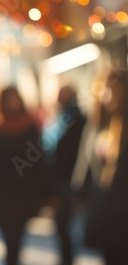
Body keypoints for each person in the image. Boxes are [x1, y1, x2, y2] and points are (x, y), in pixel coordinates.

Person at [0, 86, 48, 265]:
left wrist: (45, 192)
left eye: (15, 98)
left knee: (17, 239)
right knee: (9, 239)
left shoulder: (30, 127)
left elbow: (40, 162)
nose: (13, 102)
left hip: (25, 193)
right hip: (1, 194)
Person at [71, 68, 128, 264]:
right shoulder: (96, 124)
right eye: (107, 89)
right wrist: (77, 192)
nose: (111, 95)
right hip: (104, 210)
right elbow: (84, 161)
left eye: (117, 90)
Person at [43, 85, 86, 265]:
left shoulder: (71, 119)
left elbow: (61, 152)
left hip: (65, 180)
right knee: (63, 225)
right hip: (64, 179)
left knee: (64, 224)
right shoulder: (65, 117)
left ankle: (67, 259)